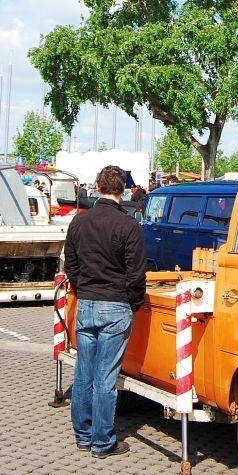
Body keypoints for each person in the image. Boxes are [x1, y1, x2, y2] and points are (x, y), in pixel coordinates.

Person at [64, 165, 147, 458]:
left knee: (84, 373)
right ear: (123, 190)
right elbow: (136, 274)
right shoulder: (129, 226)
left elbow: (70, 264)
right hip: (115, 304)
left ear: (98, 187)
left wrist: (82, 290)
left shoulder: (79, 222)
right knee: (105, 377)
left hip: (87, 302)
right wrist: (132, 304)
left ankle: (83, 435)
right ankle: (102, 441)